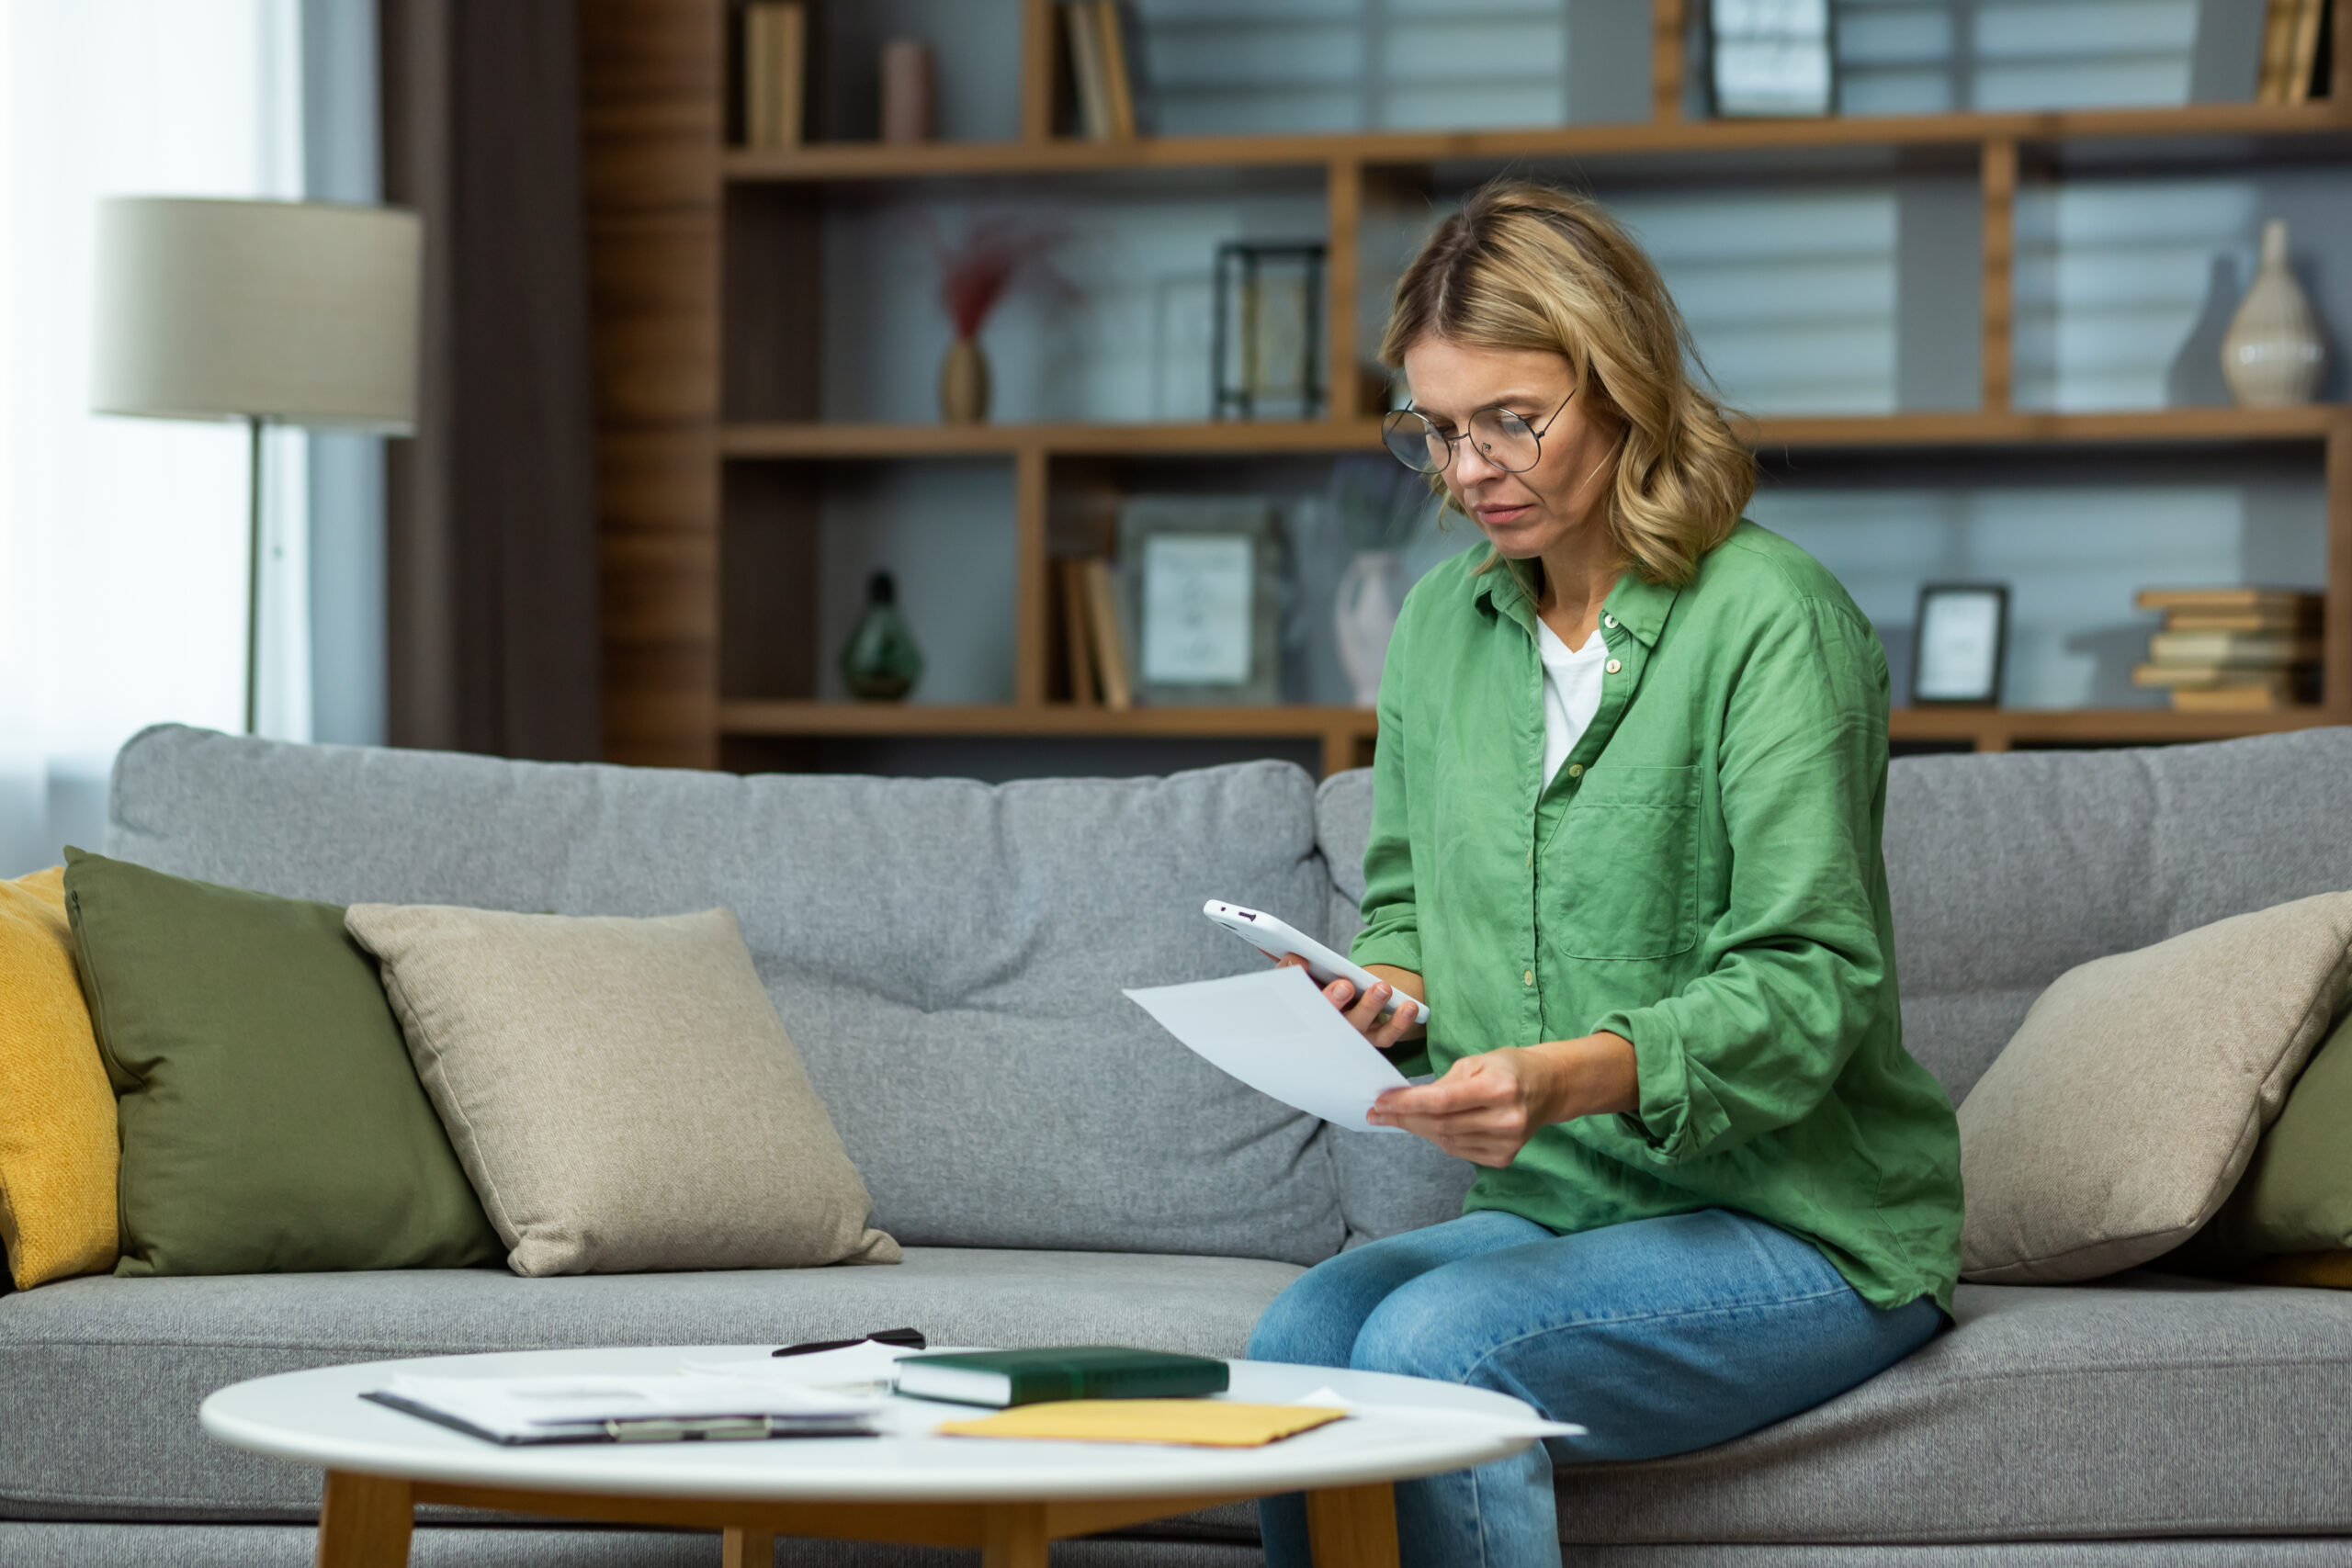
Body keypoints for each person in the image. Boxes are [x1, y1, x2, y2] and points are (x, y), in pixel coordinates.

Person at [1247, 179, 1964, 1568]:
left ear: (1622, 383)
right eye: (1440, 430)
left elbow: (1808, 984)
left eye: (1515, 418)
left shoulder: (1773, 619)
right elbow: (1402, 903)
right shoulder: (1439, 631)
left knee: (1443, 1345)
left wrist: (1563, 1075)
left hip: (1800, 1226)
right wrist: (1376, 990)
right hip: (1565, 1211)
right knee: (1305, 1336)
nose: (1470, 472)